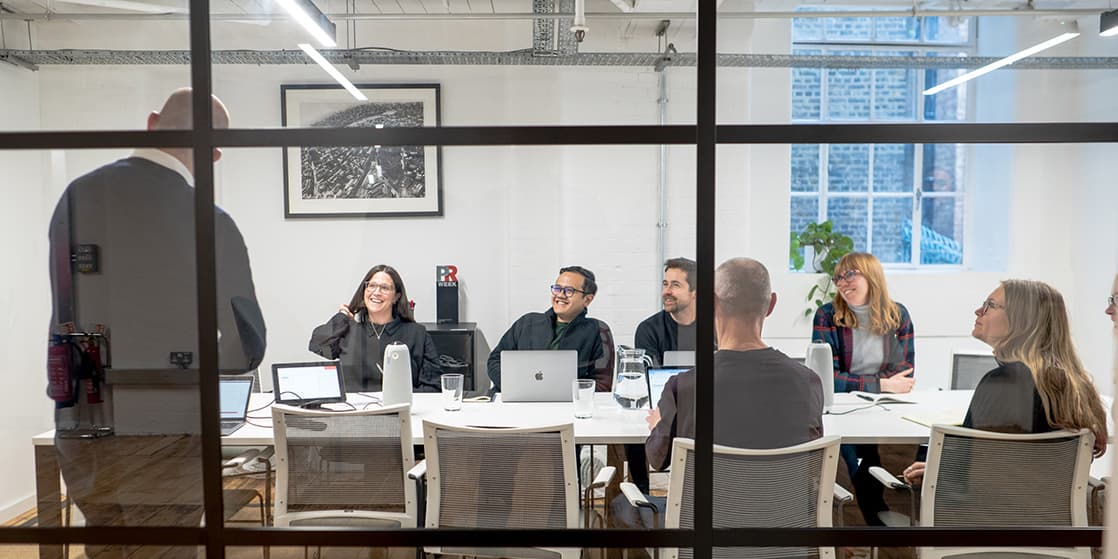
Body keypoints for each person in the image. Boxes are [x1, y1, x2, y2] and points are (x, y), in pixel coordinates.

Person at [46, 88, 266, 558]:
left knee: (105, 545)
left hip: (84, 419)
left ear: (151, 123)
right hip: (168, 427)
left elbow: (65, 314)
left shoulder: (76, 196)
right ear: (215, 154)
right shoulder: (210, 220)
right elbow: (245, 343)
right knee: (168, 549)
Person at [615, 258, 823, 529]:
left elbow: (657, 459)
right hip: (784, 533)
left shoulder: (685, 386)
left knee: (621, 504)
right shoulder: (808, 382)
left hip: (704, 534)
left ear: (710, 302)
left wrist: (658, 426)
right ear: (771, 304)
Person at [902, 280, 1108, 485]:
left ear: (1022, 320)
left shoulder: (1004, 383)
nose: (978, 311)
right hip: (1047, 505)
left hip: (988, 504)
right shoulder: (1075, 385)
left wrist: (937, 471)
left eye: (990, 305)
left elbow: (978, 472)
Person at [811, 251, 914, 526]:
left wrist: (859, 382)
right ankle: (869, 521)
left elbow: (904, 374)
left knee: (899, 452)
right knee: (850, 456)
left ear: (872, 276)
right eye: (838, 278)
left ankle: (876, 521)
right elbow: (826, 378)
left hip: (882, 409)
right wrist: (881, 384)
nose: (842, 283)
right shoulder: (827, 316)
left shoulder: (898, 315)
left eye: (850, 274)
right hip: (842, 409)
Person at [309, 264, 441, 392]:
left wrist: (400, 397)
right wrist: (343, 316)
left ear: (396, 297)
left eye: (384, 288)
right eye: (372, 286)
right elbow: (318, 345)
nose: (377, 292)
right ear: (364, 291)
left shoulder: (417, 334)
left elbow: (433, 386)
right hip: (354, 406)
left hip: (400, 406)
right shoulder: (347, 331)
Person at [487, 265, 612, 391]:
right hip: (517, 398)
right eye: (557, 288)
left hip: (569, 402)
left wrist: (565, 394)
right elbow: (495, 361)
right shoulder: (527, 322)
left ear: (587, 300)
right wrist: (516, 387)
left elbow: (602, 384)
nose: (560, 295)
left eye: (569, 291)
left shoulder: (598, 331)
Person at [635, 257, 699, 366]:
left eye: (675, 285)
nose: (666, 291)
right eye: (665, 284)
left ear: (695, 292)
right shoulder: (649, 330)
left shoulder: (717, 327)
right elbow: (652, 375)